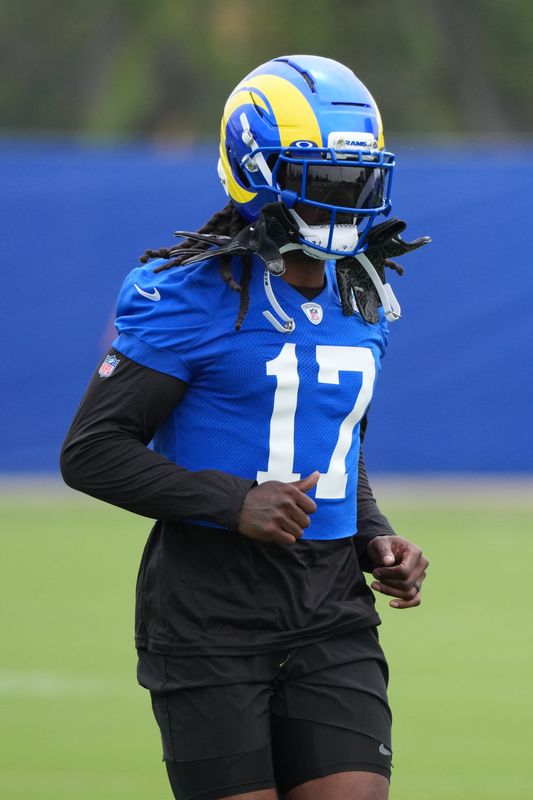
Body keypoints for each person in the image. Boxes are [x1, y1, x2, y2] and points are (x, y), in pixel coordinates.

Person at [61, 55, 430, 800]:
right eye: (320, 179)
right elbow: (91, 452)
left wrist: (373, 533)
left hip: (330, 606)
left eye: (355, 181)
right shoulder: (191, 295)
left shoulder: (361, 293)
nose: (344, 200)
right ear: (256, 172)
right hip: (209, 612)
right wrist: (233, 502)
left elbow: (334, 445)